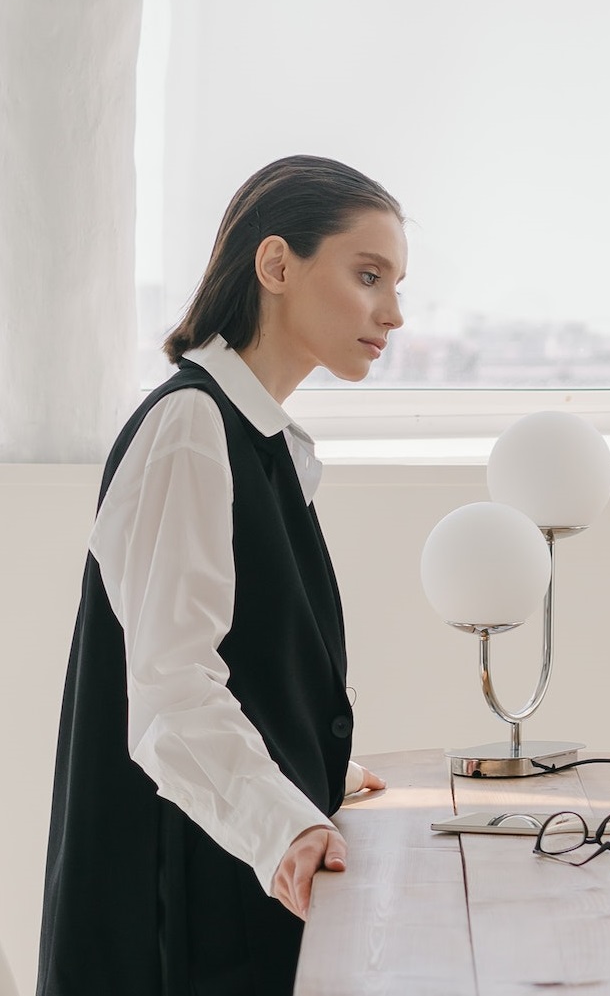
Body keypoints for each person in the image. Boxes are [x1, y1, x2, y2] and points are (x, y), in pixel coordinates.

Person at [37, 154, 407, 994]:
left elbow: (243, 665)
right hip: (179, 911)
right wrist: (286, 826)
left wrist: (312, 770)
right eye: (367, 274)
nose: (392, 310)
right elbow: (171, 693)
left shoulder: (261, 440)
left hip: (226, 883)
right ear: (276, 264)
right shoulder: (190, 427)